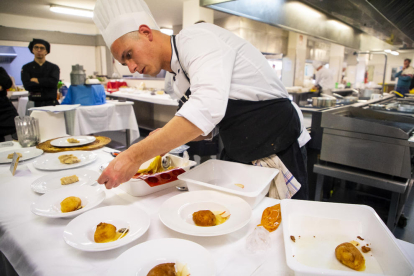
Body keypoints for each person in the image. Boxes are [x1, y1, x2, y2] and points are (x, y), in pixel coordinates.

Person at [93, 0, 311, 199]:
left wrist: (133, 157)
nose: (131, 67)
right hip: (242, 150)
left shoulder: (197, 38)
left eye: (128, 55)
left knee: (282, 226)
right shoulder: (177, 77)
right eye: (124, 64)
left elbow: (205, 108)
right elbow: (205, 129)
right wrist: (165, 137)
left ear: (145, 32)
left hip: (278, 144)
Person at [21, 39, 60, 108]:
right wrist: (47, 82)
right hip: (34, 103)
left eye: (42, 48)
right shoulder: (26, 68)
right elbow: (27, 85)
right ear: (32, 50)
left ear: (46, 51)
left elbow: (54, 83)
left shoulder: (54, 67)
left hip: (51, 103)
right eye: (36, 47)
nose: (39, 50)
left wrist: (37, 80)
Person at [0, 67, 19, 142]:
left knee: (17, 131)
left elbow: (8, 83)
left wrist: (2, 86)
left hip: (5, 108)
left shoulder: (0, 69)